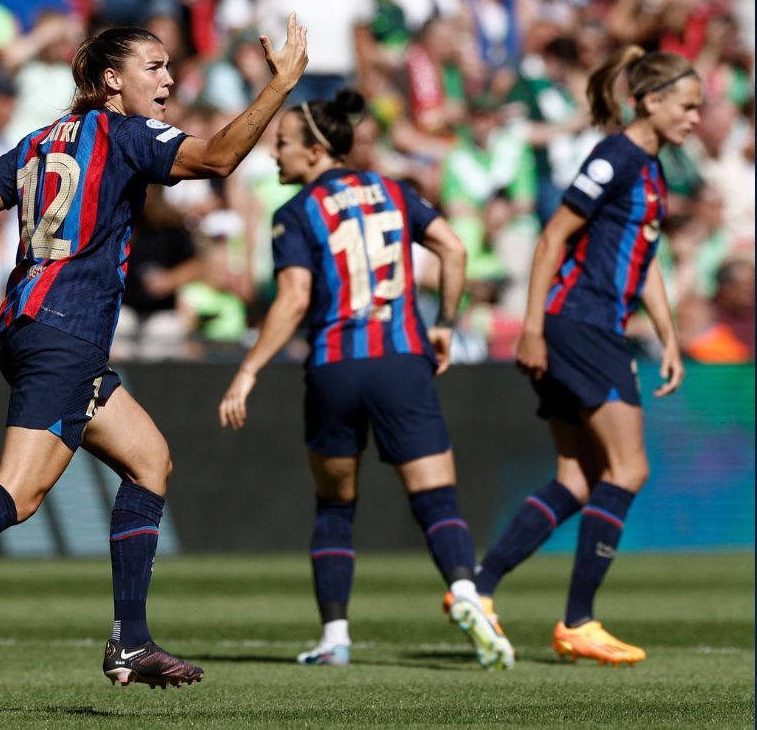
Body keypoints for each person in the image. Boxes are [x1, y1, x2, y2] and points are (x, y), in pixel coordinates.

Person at [0, 15, 310, 688]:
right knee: (18, 493)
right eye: (155, 67)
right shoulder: (126, 134)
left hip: (38, 326)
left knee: (150, 462)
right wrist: (280, 84)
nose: (170, 79)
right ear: (112, 81)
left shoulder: (40, 140)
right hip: (63, 330)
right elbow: (217, 158)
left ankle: (130, 641)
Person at [217, 89, 515, 671]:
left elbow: (296, 298)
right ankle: (464, 589)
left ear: (316, 150)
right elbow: (453, 249)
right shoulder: (396, 192)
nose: (274, 156)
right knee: (436, 497)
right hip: (402, 360)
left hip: (334, 367)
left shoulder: (296, 214)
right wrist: (447, 324)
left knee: (334, 505)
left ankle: (334, 636)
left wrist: (248, 370)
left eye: (282, 145)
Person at [474, 46, 698, 665]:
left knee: (577, 479)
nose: (697, 118)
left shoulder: (652, 167)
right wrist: (532, 329)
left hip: (591, 325)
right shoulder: (618, 157)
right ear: (651, 101)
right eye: (688, 105)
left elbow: (643, 259)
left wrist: (669, 336)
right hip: (581, 324)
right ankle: (578, 620)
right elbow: (552, 236)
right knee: (628, 471)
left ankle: (479, 587)